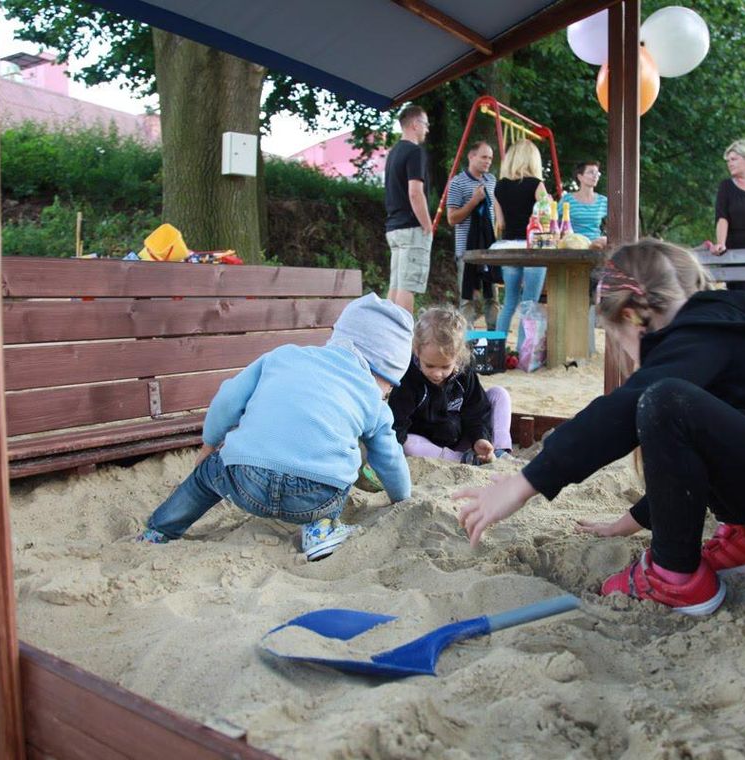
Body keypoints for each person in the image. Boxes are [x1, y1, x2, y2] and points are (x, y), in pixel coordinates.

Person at [455, 239, 745, 616]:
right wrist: (633, 519)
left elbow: (622, 411)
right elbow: (702, 454)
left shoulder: (701, 335)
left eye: (618, 341)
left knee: (662, 401)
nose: (625, 355)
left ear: (636, 317)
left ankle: (674, 578)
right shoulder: (722, 326)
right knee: (681, 407)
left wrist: (523, 482)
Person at [137, 293, 414, 561]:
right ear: (380, 370)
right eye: (390, 384)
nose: (387, 393)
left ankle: (159, 531)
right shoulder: (373, 400)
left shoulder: (283, 356)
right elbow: (388, 457)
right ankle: (319, 530)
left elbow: (228, 400)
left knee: (205, 477)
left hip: (245, 481)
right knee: (342, 469)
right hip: (315, 497)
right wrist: (402, 496)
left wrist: (210, 443)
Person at [390, 306, 513, 465]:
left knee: (499, 393)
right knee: (408, 443)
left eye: (445, 367)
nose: (437, 374)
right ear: (416, 351)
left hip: (464, 438)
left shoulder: (464, 373)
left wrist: (480, 439)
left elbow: (476, 411)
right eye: (429, 366)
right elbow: (397, 422)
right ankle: (461, 460)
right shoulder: (409, 378)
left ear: (458, 357)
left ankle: (499, 450)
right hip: (431, 447)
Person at [494, 139, 550, 334]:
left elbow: (500, 223)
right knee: (529, 303)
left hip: (508, 248)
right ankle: (524, 354)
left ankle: (498, 351)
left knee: (509, 303)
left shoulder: (499, 187)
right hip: (532, 248)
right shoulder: (537, 185)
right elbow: (546, 221)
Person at [447, 141, 503, 329]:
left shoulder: (491, 180)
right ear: (471, 157)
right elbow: (452, 218)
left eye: (490, 158)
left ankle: (495, 342)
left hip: (488, 250)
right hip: (466, 251)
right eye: (484, 157)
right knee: (467, 300)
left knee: (492, 298)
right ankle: (464, 344)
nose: (488, 161)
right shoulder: (457, 182)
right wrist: (473, 202)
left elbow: (495, 208)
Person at [384, 105, 434, 313]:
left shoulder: (393, 153)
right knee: (408, 287)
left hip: (394, 228)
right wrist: (427, 225)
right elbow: (415, 192)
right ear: (415, 124)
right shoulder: (415, 152)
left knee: (395, 286)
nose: (427, 130)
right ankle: (404, 342)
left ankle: (386, 337)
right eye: (425, 124)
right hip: (412, 228)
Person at [559, 160, 608, 249]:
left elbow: (616, 224)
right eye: (591, 172)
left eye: (597, 173)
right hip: (572, 247)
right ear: (580, 177)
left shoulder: (603, 201)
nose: (595, 176)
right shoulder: (567, 199)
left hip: (596, 246)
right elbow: (554, 222)